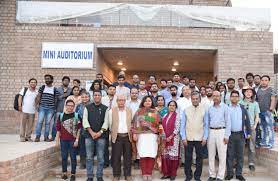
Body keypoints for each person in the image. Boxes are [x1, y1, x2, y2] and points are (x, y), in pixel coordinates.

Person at [102, 95, 133, 181]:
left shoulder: (129, 110)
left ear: (125, 101)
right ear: (117, 101)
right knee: (116, 157)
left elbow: (132, 122)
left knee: (127, 157)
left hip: (128, 137)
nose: (121, 102)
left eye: (123, 100)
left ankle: (128, 174)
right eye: (119, 100)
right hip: (117, 137)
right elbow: (109, 123)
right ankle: (116, 175)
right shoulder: (112, 111)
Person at [181, 92, 208, 181]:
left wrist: (205, 137)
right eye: (193, 99)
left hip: (200, 138)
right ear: (191, 99)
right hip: (188, 138)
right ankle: (188, 176)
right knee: (188, 158)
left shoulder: (204, 110)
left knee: (199, 158)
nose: (195, 100)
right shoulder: (186, 110)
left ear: (199, 99)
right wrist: (183, 137)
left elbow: (206, 125)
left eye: (197, 99)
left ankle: (197, 176)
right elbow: (183, 125)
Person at [132, 96, 160, 181]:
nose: (148, 102)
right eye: (146, 101)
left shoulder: (156, 112)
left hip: (153, 135)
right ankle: (144, 173)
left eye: (149, 101)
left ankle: (149, 173)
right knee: (143, 154)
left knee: (151, 154)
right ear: (143, 102)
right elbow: (134, 123)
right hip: (142, 136)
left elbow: (160, 124)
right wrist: (135, 133)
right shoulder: (139, 112)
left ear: (152, 102)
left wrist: (159, 135)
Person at [225, 90, 251, 181]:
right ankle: (230, 173)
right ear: (230, 98)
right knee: (230, 155)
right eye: (233, 96)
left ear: (239, 98)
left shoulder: (242, 108)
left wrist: (249, 133)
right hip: (230, 135)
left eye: (236, 96)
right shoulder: (227, 107)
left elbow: (247, 121)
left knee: (240, 155)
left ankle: (239, 174)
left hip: (241, 135)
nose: (234, 98)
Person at [82, 90, 108, 181]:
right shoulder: (87, 107)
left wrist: (100, 132)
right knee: (89, 157)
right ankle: (90, 176)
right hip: (89, 136)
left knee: (100, 157)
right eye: (95, 95)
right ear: (93, 97)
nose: (97, 96)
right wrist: (92, 132)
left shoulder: (105, 108)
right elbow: (84, 121)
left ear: (101, 96)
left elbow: (106, 122)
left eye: (98, 95)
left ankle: (99, 176)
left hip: (101, 136)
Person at [205, 90, 231, 181]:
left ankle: (220, 176)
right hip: (211, 132)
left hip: (222, 132)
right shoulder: (209, 108)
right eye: (214, 96)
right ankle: (212, 175)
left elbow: (228, 122)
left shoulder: (225, 107)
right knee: (211, 155)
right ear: (212, 97)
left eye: (217, 96)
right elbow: (207, 122)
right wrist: (206, 135)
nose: (215, 97)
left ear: (220, 97)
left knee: (222, 155)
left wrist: (227, 135)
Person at [56, 99, 82, 181]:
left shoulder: (77, 115)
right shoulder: (61, 116)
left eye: (72, 106)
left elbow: (79, 129)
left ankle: (73, 174)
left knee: (73, 157)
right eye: (69, 105)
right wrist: (57, 141)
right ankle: (64, 173)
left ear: (74, 107)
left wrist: (77, 140)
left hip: (73, 140)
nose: (70, 107)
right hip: (63, 140)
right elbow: (58, 130)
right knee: (64, 157)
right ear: (66, 106)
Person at [240, 86, 260, 171]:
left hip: (251, 127)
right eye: (246, 91)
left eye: (250, 92)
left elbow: (257, 116)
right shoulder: (240, 102)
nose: (248, 93)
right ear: (244, 93)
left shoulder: (255, 103)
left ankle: (251, 163)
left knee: (251, 146)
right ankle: (238, 162)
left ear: (252, 94)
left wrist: (255, 125)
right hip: (241, 128)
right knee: (240, 146)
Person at [35, 74, 59, 142]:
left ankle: (46, 137)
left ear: (52, 80)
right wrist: (37, 105)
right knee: (39, 122)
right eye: (46, 79)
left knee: (48, 123)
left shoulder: (55, 89)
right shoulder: (42, 87)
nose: (47, 80)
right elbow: (39, 96)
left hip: (51, 108)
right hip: (42, 107)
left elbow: (56, 99)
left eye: (48, 79)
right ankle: (38, 136)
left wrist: (55, 108)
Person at [160, 101, 180, 181]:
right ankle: (166, 173)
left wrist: (170, 137)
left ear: (175, 107)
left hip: (174, 139)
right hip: (165, 139)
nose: (172, 107)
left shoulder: (177, 116)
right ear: (168, 106)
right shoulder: (165, 115)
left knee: (173, 158)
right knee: (165, 157)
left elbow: (177, 128)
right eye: (170, 105)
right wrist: (164, 136)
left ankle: (173, 174)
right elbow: (162, 126)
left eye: (173, 105)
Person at [256, 75, 277, 148]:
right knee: (263, 128)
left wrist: (271, 108)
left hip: (268, 111)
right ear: (261, 81)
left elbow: (273, 99)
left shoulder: (271, 89)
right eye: (263, 80)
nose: (264, 82)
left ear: (268, 81)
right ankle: (264, 141)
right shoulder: (258, 90)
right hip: (260, 112)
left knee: (270, 128)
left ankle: (271, 143)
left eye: (266, 80)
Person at [76, 91, 91, 169]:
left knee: (90, 146)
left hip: (91, 127)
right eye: (83, 97)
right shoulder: (79, 106)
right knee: (82, 146)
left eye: (86, 97)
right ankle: (83, 162)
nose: (84, 98)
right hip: (82, 128)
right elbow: (76, 116)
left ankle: (89, 162)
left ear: (89, 97)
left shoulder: (92, 105)